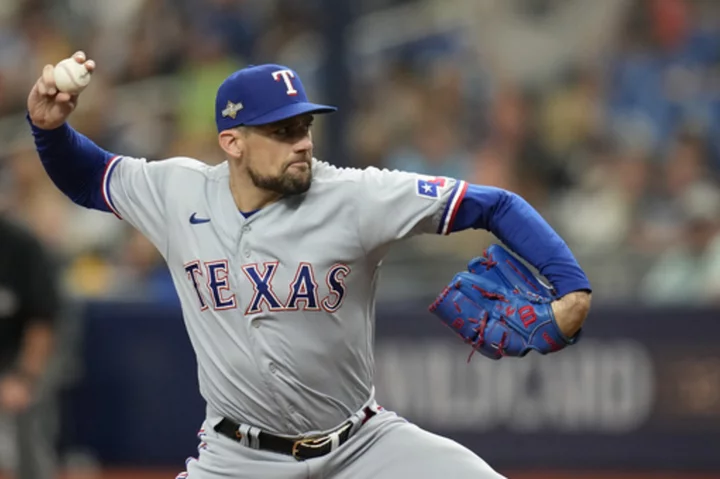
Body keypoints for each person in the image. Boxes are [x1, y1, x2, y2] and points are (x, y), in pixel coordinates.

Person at [27, 51, 592, 479]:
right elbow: (89, 177)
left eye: (303, 126)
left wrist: (572, 288)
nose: (300, 143)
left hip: (361, 448)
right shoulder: (177, 192)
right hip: (236, 459)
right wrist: (49, 129)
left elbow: (494, 204)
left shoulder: (354, 197)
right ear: (233, 141)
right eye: (281, 131)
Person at [0, 215, 60, 479]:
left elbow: (42, 322)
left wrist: (24, 378)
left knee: (27, 418)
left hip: (18, 357)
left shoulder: (21, 245)